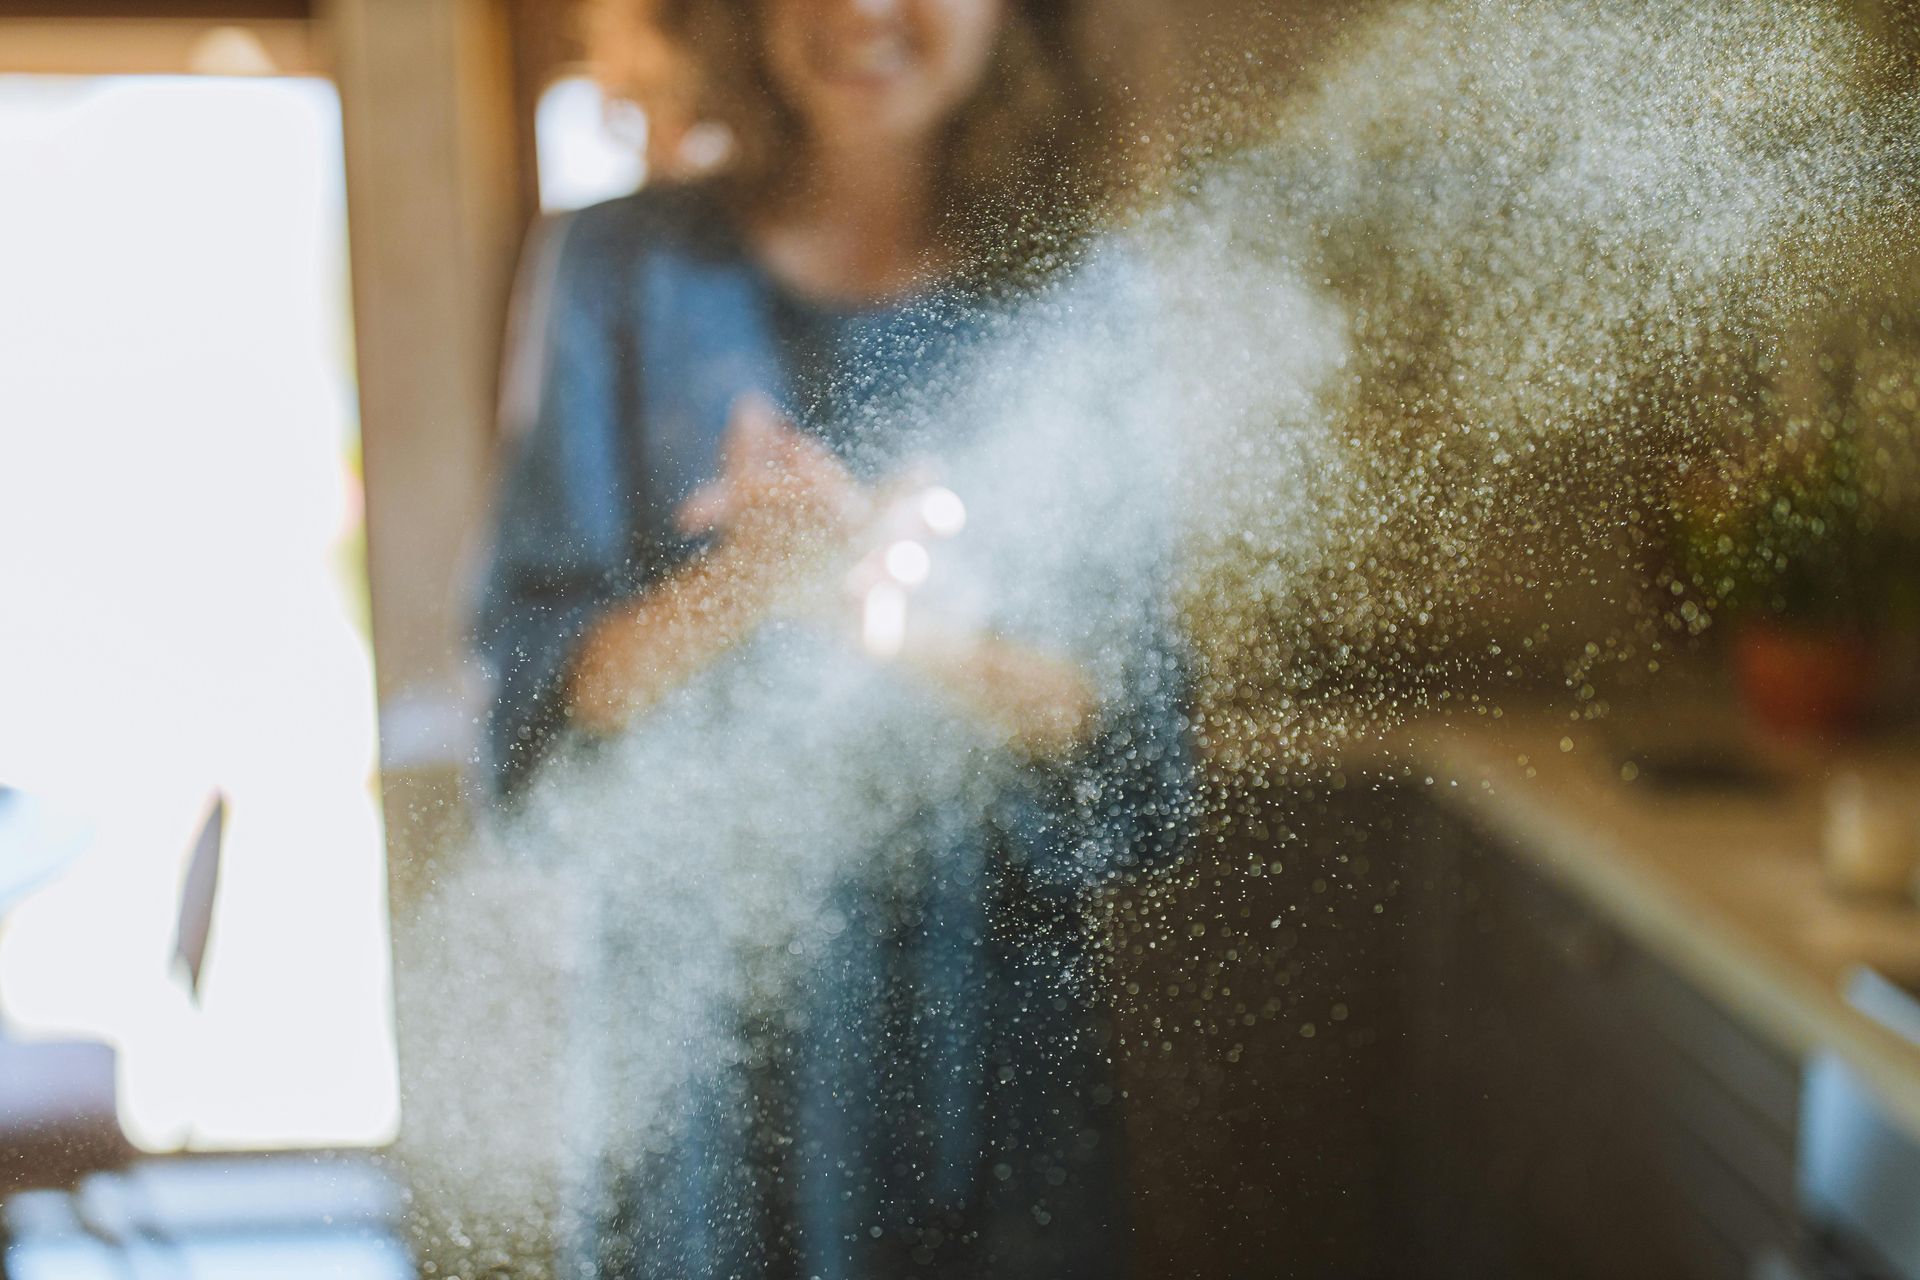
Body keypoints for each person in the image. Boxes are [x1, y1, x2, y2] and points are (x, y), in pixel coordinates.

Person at [473, 1, 1190, 1275]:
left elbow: (1136, 759)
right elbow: (533, 738)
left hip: (992, 1062)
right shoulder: (621, 273)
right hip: (699, 1086)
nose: (861, 7)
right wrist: (754, 576)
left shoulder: (1080, 293)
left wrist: (895, 612)